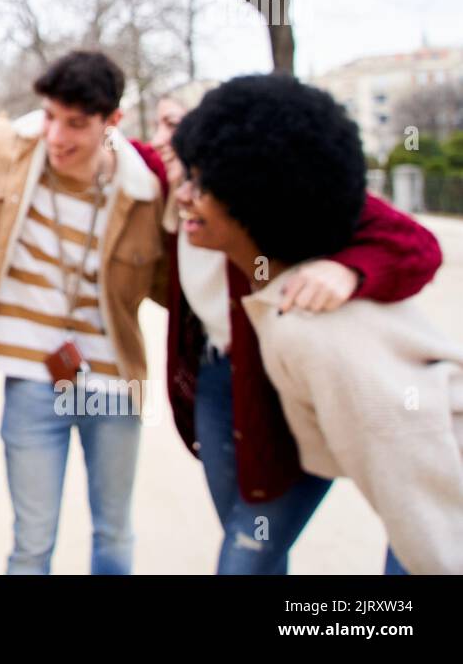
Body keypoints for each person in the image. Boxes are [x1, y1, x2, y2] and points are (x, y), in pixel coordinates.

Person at [173, 74, 462, 574]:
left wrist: (351, 269)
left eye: (200, 183)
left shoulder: (306, 328)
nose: (182, 195)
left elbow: (433, 513)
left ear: (253, 197)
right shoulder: (284, 299)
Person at [0, 50, 168, 575]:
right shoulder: (1, 150)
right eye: (51, 117)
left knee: (114, 534)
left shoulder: (143, 193)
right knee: (31, 545)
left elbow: (178, 283)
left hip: (116, 388)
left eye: (77, 124)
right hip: (32, 381)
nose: (58, 137)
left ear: (112, 122)